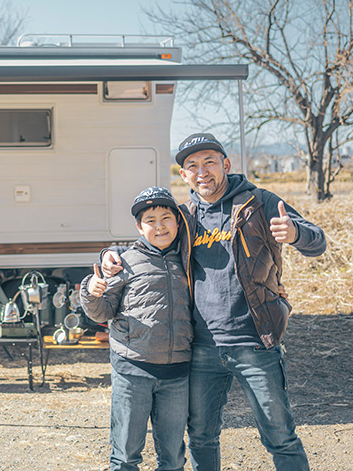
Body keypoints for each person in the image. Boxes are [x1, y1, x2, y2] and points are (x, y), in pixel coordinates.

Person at [101, 133, 326, 471]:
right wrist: (110, 255)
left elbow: (317, 241)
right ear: (184, 175)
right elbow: (148, 246)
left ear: (226, 164)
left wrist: (295, 234)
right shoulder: (185, 216)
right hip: (202, 348)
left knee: (280, 436)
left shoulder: (258, 202)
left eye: (209, 161)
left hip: (255, 342)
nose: (202, 171)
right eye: (192, 165)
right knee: (202, 436)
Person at [80, 186, 193, 471]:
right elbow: (103, 312)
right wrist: (92, 292)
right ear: (139, 228)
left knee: (174, 458)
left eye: (166, 218)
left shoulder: (190, 260)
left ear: (177, 221)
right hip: (133, 371)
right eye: (150, 221)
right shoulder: (125, 263)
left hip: (177, 373)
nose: (159, 226)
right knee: (126, 456)